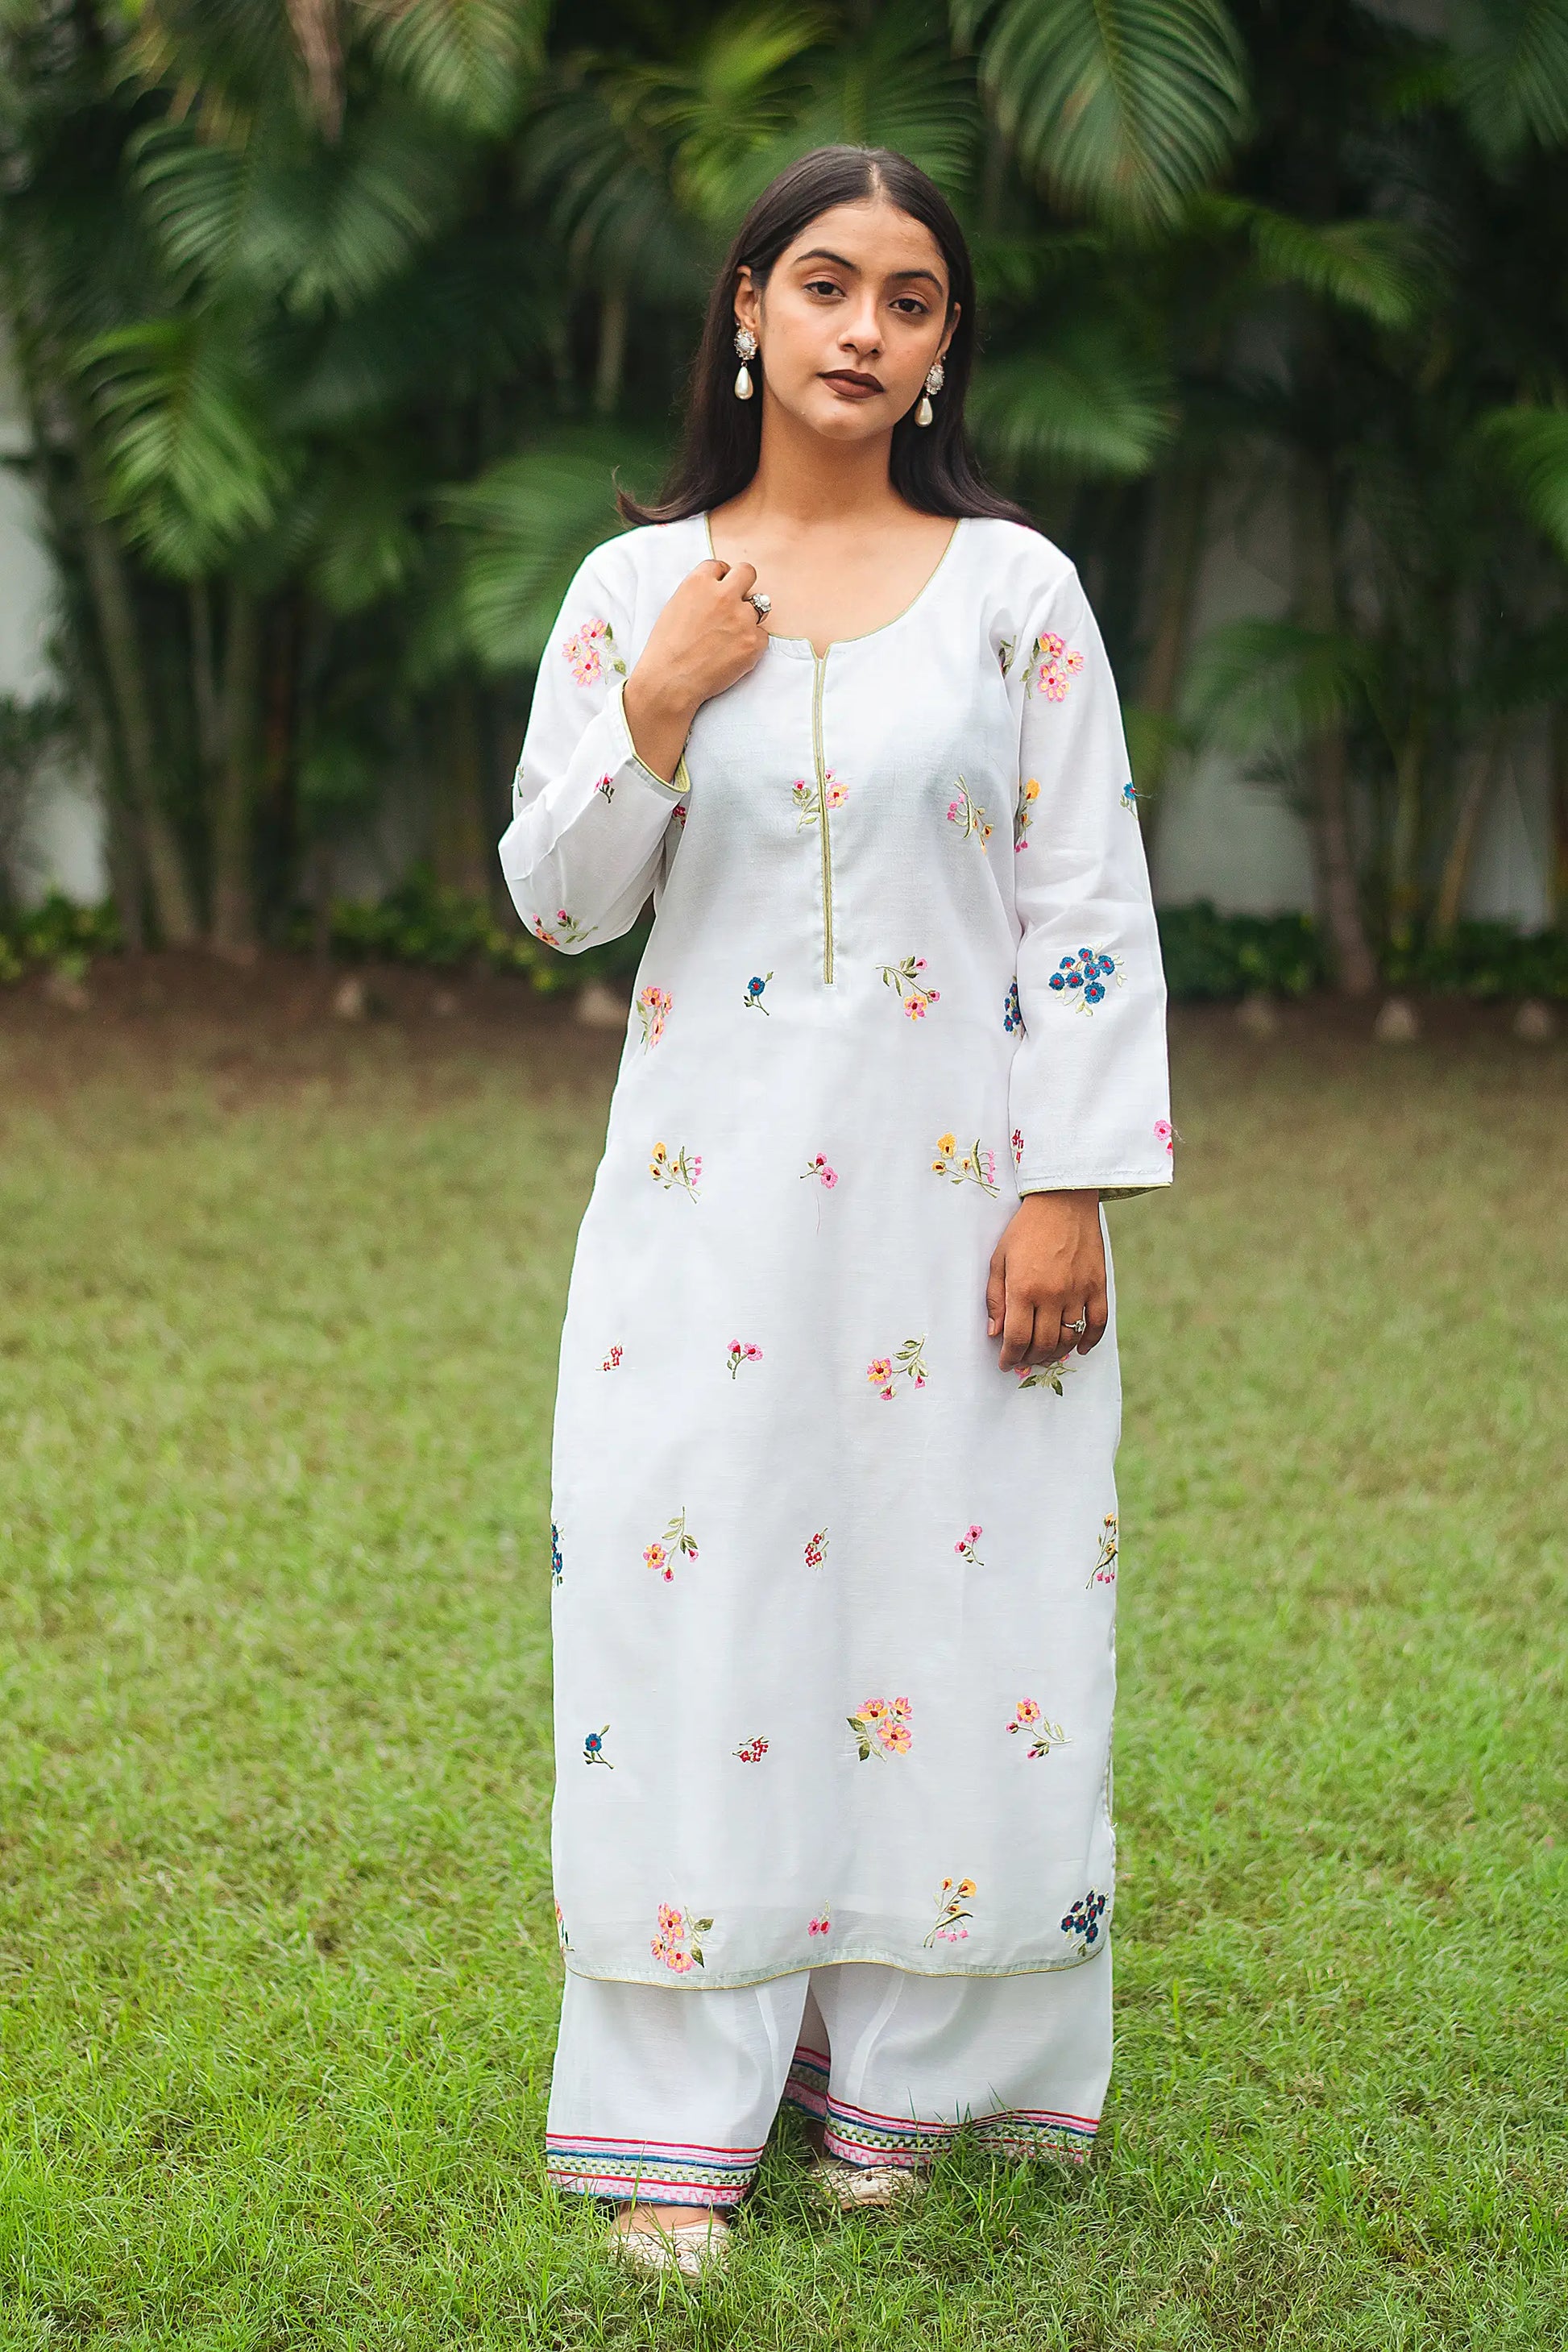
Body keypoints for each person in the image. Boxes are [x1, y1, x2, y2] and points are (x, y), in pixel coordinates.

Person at [497, 143, 1174, 2279]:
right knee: (688, 1603)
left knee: (955, 1611)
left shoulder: (1013, 590)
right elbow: (557, 899)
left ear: (943, 340)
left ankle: (912, 2082)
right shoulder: (632, 595)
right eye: (823, 283)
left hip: (964, 1206)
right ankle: (677, 2105)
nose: (862, 327)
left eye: (907, 296)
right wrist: (664, 700)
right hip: (704, 1209)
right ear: (745, 309)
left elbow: (1085, 906)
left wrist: (1067, 1186)